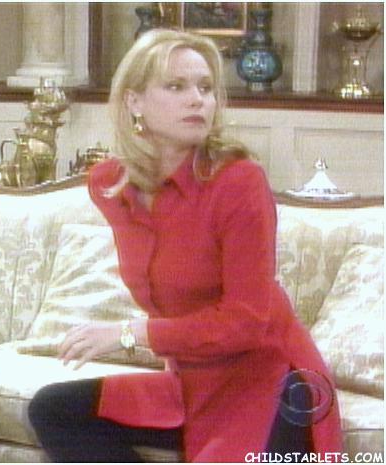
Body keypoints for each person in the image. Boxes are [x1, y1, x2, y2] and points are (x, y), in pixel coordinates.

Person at [28, 29, 343, 462]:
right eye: (176, 86)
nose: (197, 100)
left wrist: (130, 333)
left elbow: (246, 322)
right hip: (190, 382)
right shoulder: (110, 185)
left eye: (206, 88)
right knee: (53, 410)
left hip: (270, 381)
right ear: (134, 101)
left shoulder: (238, 181)